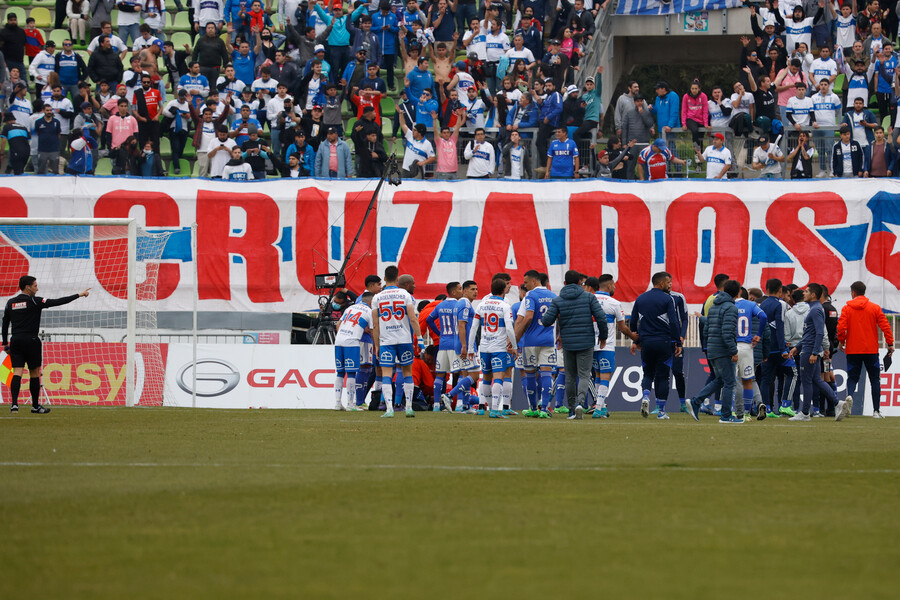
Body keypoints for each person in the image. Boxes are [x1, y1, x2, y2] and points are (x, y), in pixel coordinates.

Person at [2, 275, 90, 413]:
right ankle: (35, 406)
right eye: (35, 286)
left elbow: (5, 323)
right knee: (34, 373)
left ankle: (14, 404)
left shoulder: (11, 302)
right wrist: (79, 295)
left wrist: (5, 343)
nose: (37, 289)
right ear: (28, 287)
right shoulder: (35, 301)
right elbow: (58, 301)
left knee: (17, 372)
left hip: (16, 341)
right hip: (31, 341)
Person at [538, 270, 606, 420]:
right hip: (586, 342)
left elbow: (546, 321)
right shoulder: (589, 297)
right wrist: (603, 337)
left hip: (568, 343)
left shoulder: (558, 300)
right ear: (580, 283)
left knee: (570, 377)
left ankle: (571, 409)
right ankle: (580, 403)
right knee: (584, 375)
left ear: (564, 283)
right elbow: (601, 317)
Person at [371, 266, 424, 418]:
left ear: (384, 278)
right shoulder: (405, 294)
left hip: (386, 341)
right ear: (397, 278)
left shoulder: (377, 298)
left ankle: (389, 409)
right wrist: (420, 339)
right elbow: (413, 318)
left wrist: (376, 345)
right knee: (407, 372)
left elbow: (375, 324)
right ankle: (408, 407)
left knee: (387, 374)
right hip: (404, 339)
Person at [630, 271, 683, 420]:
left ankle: (646, 396)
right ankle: (661, 411)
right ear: (661, 283)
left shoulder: (641, 298)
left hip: (646, 342)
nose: (670, 285)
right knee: (663, 377)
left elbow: (633, 321)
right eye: (668, 282)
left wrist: (636, 341)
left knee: (648, 374)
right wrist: (677, 342)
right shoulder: (668, 299)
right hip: (664, 342)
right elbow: (673, 322)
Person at [686, 279, 741, 424]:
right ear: (738, 293)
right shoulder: (731, 308)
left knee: (720, 380)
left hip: (712, 348)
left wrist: (709, 344)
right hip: (723, 350)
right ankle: (726, 416)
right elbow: (727, 332)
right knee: (729, 382)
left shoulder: (714, 306)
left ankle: (696, 401)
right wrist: (733, 350)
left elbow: (707, 328)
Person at [838, 281, 894, 419]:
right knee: (875, 379)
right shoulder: (874, 307)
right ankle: (876, 411)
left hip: (853, 349)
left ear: (853, 292)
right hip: (871, 350)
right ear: (864, 291)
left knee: (852, 378)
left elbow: (841, 328)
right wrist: (890, 343)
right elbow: (885, 325)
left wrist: (842, 341)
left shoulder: (847, 308)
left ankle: (849, 396)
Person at [586, 275, 637, 419]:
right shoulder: (614, 303)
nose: (614, 287)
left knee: (597, 375)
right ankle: (598, 409)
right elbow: (622, 328)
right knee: (605, 376)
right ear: (609, 286)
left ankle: (600, 406)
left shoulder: (589, 300)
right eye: (614, 285)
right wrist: (634, 337)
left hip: (591, 344)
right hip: (606, 345)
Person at [788, 283, 838, 422]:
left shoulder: (815, 310)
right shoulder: (815, 308)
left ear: (813, 295)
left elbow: (819, 332)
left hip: (810, 350)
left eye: (806, 291)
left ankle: (805, 413)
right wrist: (797, 347)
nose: (803, 293)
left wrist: (814, 352)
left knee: (807, 381)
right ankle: (837, 402)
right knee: (816, 380)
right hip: (808, 348)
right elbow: (809, 333)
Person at [469, 279, 518, 418]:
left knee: (485, 378)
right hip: (499, 347)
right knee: (499, 378)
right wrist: (514, 346)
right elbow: (509, 328)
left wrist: (471, 348)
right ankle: (495, 410)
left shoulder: (481, 304)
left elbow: (474, 327)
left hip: (484, 347)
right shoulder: (505, 306)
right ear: (503, 290)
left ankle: (487, 408)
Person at [514, 269, 558, 418]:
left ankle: (533, 408)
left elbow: (525, 318)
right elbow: (560, 318)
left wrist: (515, 338)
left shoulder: (530, 296)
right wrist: (560, 336)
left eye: (526, 282)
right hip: (548, 341)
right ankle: (544, 409)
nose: (525, 285)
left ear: (534, 281)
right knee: (547, 374)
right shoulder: (553, 296)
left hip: (530, 342)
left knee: (530, 375)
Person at [427, 282, 476, 412]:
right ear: (453, 292)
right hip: (456, 343)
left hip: (443, 344)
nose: (462, 291)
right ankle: (459, 403)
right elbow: (461, 325)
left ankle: (436, 405)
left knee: (440, 374)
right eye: (460, 289)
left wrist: (439, 334)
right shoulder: (458, 305)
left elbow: (429, 320)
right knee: (461, 373)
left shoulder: (440, 305)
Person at [333, 292, 373, 411]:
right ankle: (350, 404)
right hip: (352, 342)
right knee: (351, 373)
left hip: (339, 340)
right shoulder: (369, 311)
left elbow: (338, 325)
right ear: (371, 302)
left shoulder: (350, 308)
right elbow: (372, 330)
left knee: (340, 372)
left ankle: (337, 403)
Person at [734, 290, 768, 421]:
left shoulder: (729, 305)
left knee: (734, 381)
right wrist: (758, 335)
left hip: (733, 345)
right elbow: (763, 316)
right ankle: (747, 413)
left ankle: (736, 412)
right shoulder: (751, 305)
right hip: (747, 346)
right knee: (748, 380)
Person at [34, 104, 61, 174]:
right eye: (47, 110)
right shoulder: (38, 122)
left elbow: (59, 134)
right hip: (42, 149)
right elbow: (37, 133)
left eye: (50, 110)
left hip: (54, 149)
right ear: (43, 111)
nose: (49, 112)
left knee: (55, 170)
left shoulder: (56, 122)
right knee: (41, 170)